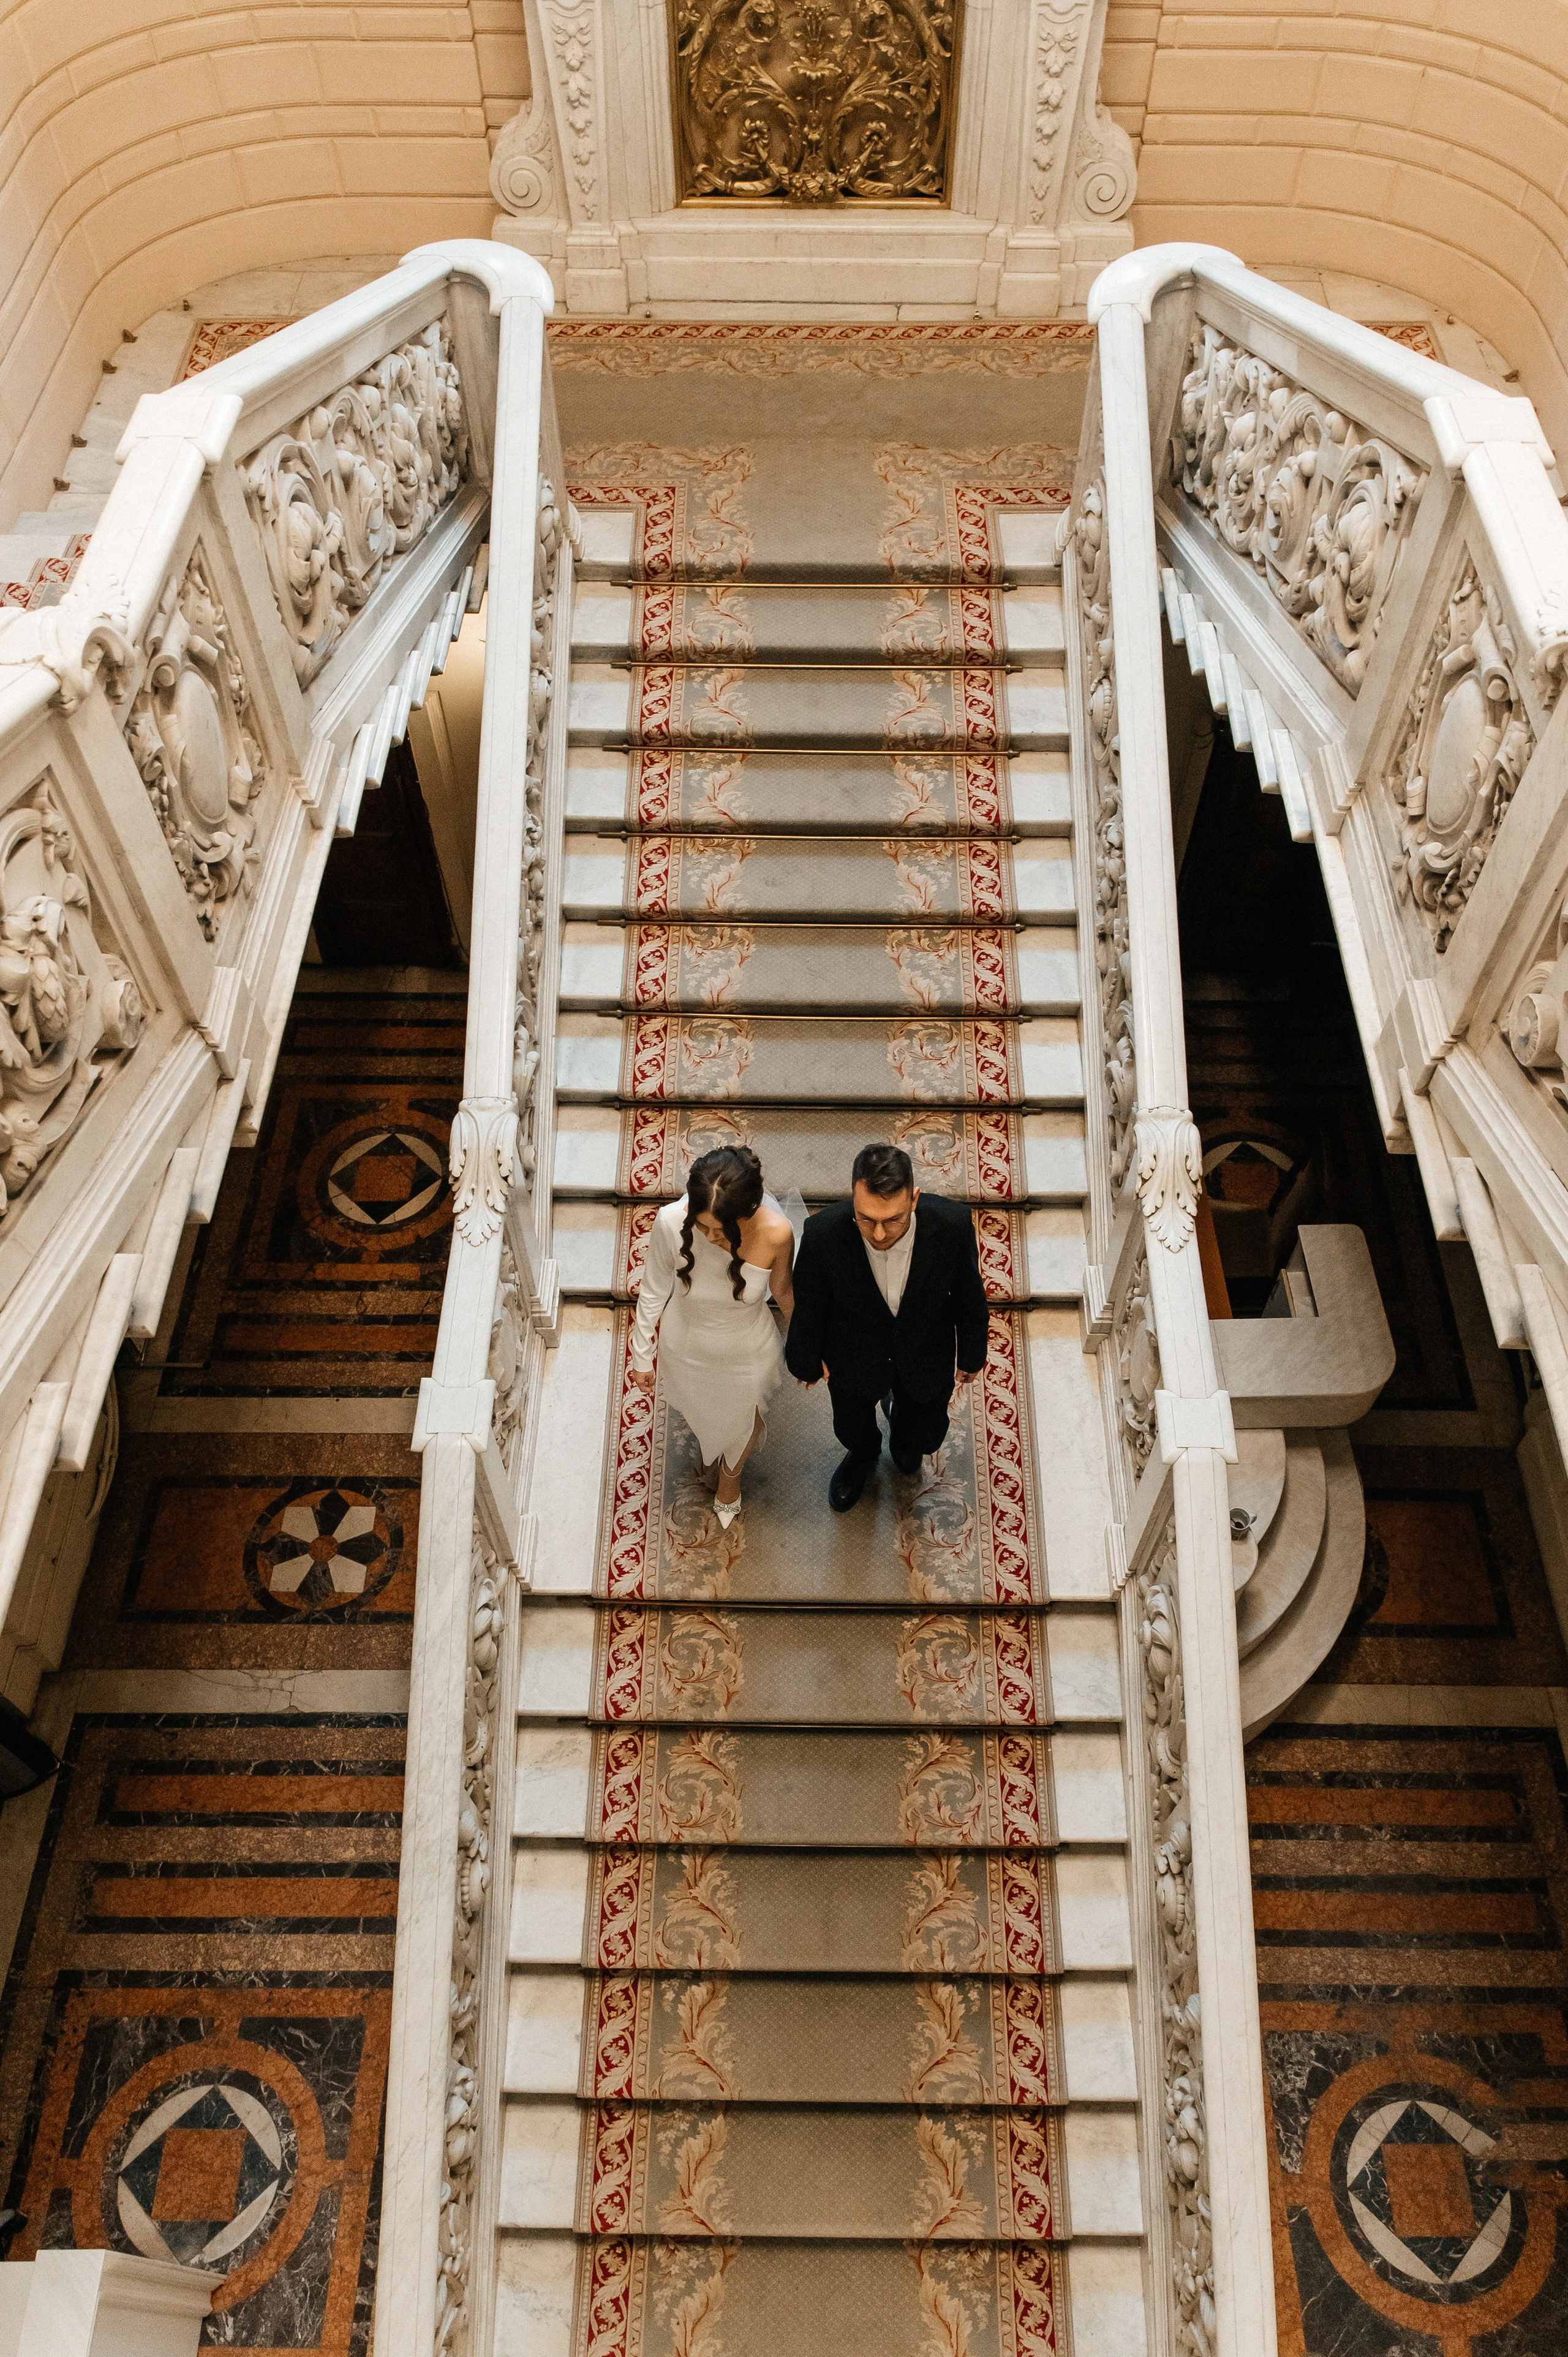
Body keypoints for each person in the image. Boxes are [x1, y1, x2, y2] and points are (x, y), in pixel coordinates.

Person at [785, 1141, 989, 1512]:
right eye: (866, 1219)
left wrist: (972, 1354)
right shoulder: (823, 1233)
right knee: (851, 1425)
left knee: (922, 1438)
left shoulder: (952, 1225)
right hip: (854, 1353)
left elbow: (968, 1294)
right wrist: (806, 1360)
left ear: (915, 1200)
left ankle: (904, 1438)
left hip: (924, 1350)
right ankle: (861, 1457)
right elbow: (810, 1305)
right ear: (853, 1198)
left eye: (892, 1220)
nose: (879, 1234)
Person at [627, 1145, 795, 1527]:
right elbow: (653, 1290)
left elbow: (783, 1291)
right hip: (684, 1344)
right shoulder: (670, 1222)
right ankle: (712, 1444)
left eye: (722, 1230)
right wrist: (642, 1354)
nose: (710, 1237)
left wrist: (811, 1347)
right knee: (701, 1410)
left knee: (746, 1416)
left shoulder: (776, 1233)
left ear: (749, 1211)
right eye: (701, 1226)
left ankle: (730, 1481)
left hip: (748, 1351)